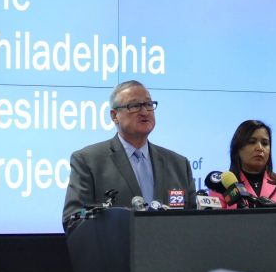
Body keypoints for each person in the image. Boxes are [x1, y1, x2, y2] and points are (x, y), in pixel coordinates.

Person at [62, 80, 196, 232]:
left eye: (148, 104)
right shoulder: (89, 161)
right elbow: (73, 218)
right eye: (134, 106)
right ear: (114, 116)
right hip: (117, 253)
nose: (145, 112)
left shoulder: (178, 164)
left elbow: (195, 221)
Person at [211, 119, 276, 207]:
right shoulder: (221, 188)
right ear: (237, 149)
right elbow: (215, 222)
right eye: (251, 142)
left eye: (265, 143)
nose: (259, 148)